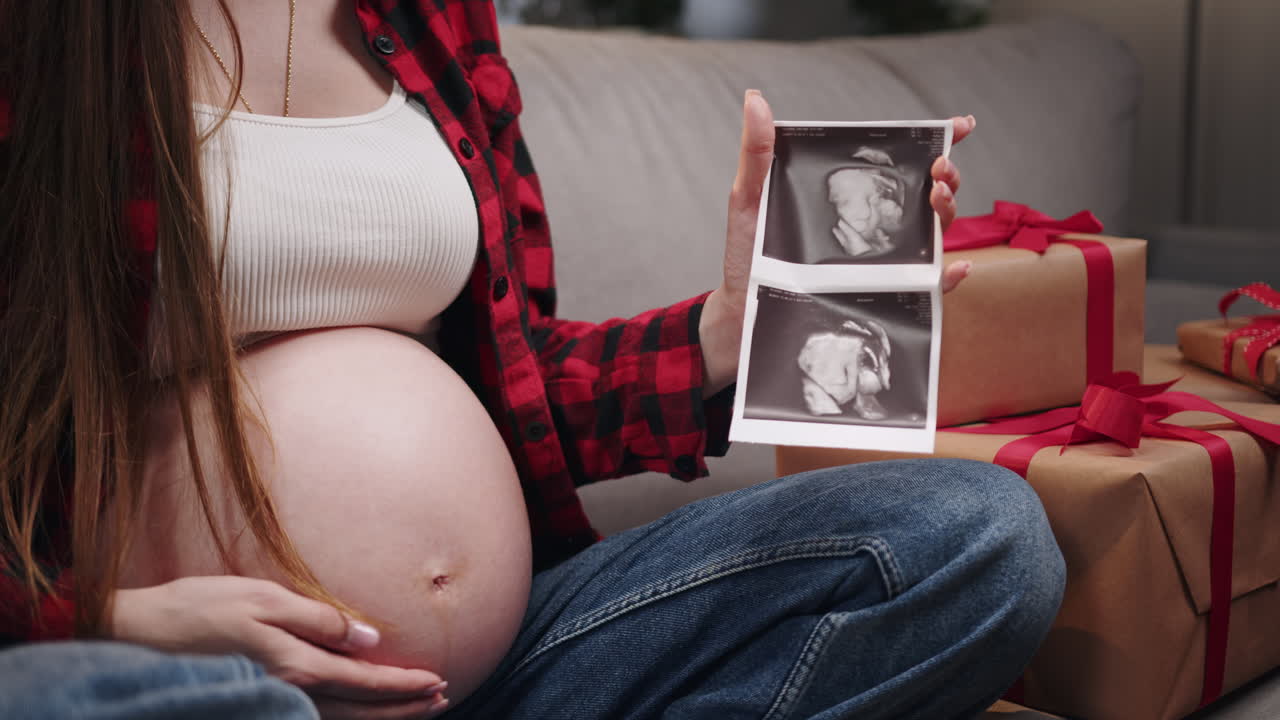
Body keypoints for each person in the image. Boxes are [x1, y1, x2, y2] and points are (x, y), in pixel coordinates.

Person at [0, 1, 1066, 719]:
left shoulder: (427, 16)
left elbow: (506, 391)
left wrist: (718, 336)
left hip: (509, 667)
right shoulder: (49, 35)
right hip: (192, 677)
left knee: (978, 540)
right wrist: (110, 620)